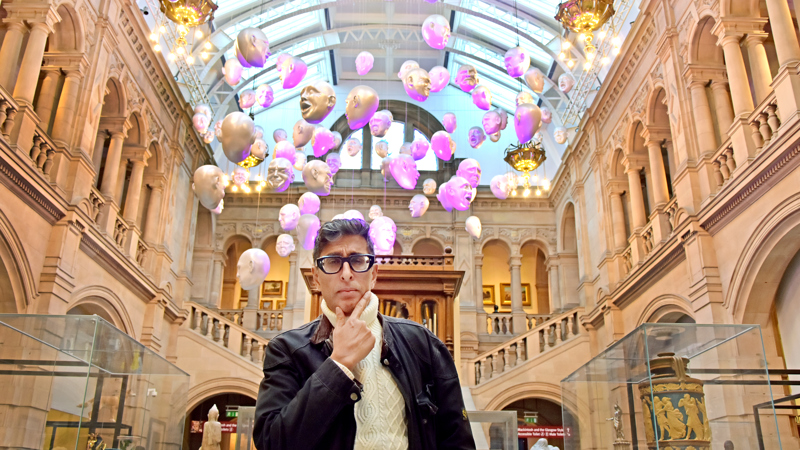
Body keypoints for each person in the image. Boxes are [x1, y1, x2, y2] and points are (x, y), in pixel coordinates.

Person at [254, 219, 475, 450]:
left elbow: (457, 440)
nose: (347, 273)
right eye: (333, 262)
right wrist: (338, 365)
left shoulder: (423, 343)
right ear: (316, 277)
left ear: (374, 274)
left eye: (358, 260)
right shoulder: (287, 350)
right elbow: (272, 442)